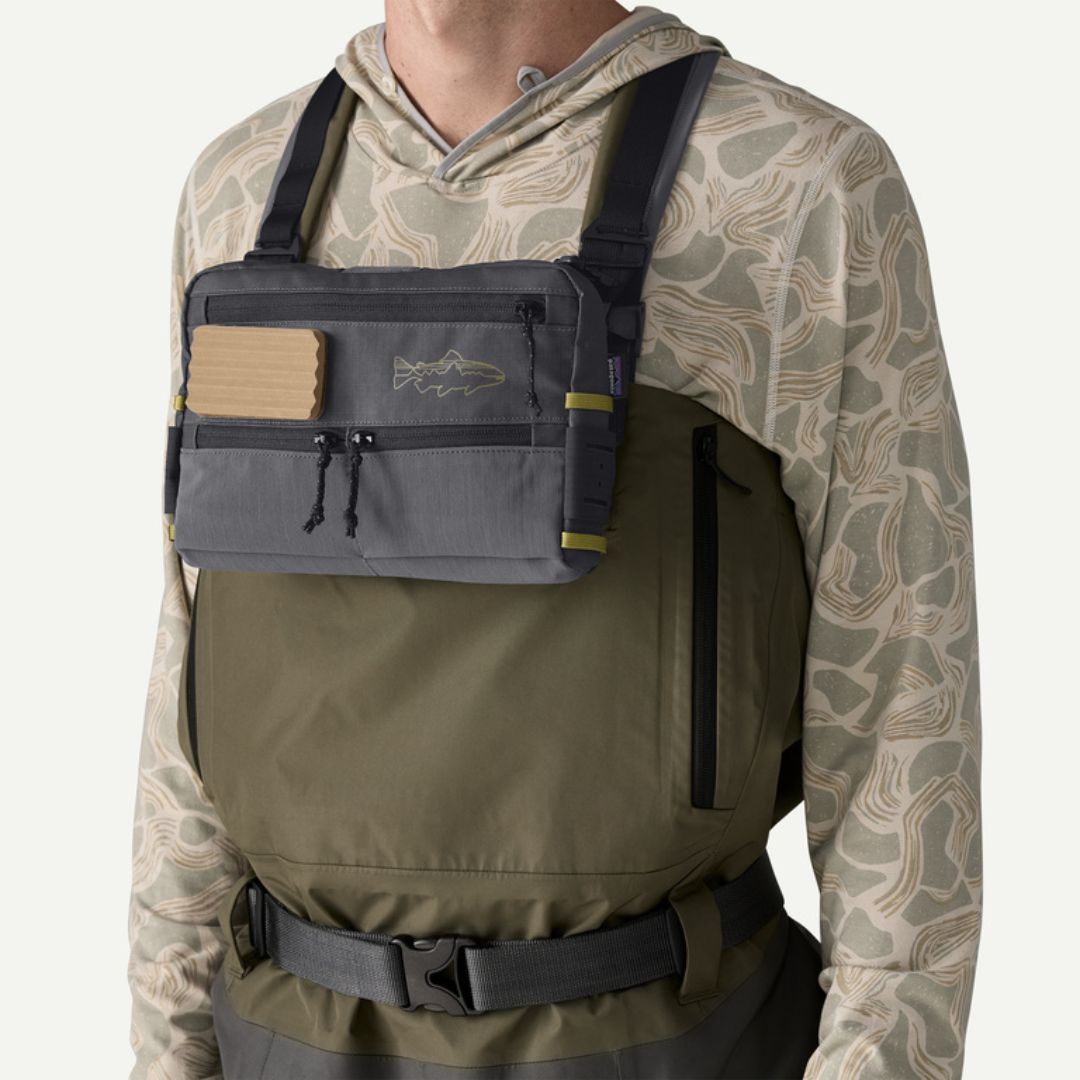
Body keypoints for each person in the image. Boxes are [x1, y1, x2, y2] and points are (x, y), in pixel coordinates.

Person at [129, 3, 982, 1077]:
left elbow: (905, 692)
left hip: (665, 1045)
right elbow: (192, 661)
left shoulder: (792, 182)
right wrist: (167, 1053)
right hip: (284, 1038)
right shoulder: (239, 185)